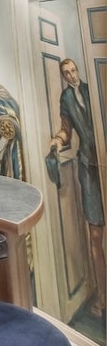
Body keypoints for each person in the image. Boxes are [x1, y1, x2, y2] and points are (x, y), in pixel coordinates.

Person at [50, 57, 106, 317]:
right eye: (66, 73)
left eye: (73, 71)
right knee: (95, 234)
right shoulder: (66, 99)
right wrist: (57, 140)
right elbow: (66, 130)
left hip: (104, 160)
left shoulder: (91, 89)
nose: (71, 76)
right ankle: (102, 295)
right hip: (88, 167)